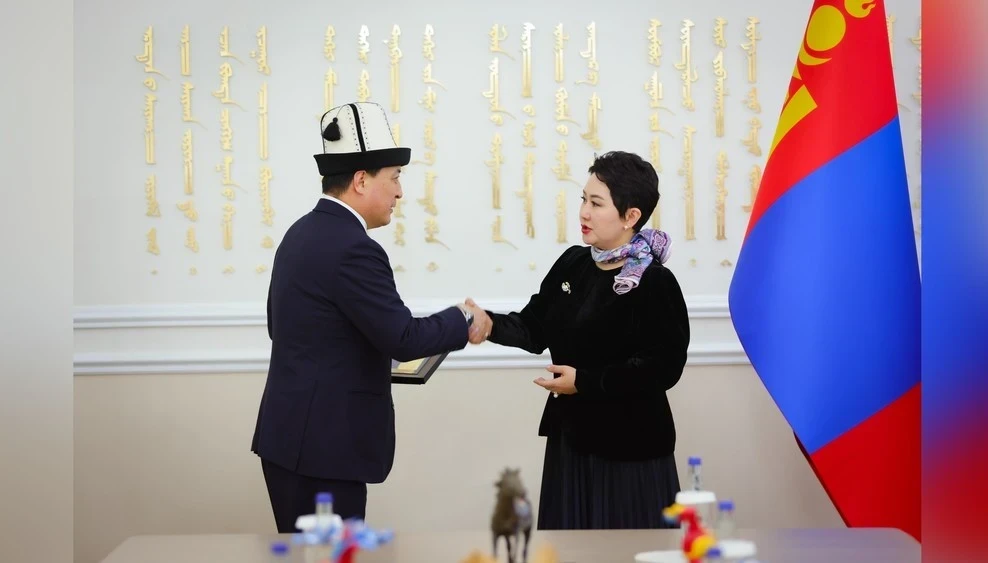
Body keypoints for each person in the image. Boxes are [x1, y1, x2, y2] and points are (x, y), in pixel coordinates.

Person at [251, 101, 492, 532]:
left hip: (289, 441)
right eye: (395, 177)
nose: (400, 192)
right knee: (331, 558)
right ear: (361, 180)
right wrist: (464, 318)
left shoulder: (301, 232)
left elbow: (285, 328)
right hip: (324, 449)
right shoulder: (353, 247)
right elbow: (403, 338)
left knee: (308, 556)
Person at [470, 150, 690, 530]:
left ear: (631, 216)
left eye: (596, 204)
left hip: (629, 450)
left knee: (625, 551)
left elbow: (663, 368)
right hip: (571, 441)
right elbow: (534, 327)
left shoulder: (654, 281)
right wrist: (489, 325)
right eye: (583, 200)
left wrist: (585, 382)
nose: (584, 213)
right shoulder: (573, 262)